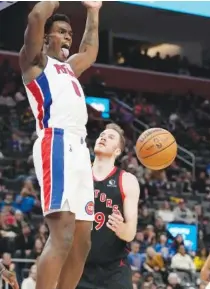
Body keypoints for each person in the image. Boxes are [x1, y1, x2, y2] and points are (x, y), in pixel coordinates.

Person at [19, 2, 102, 289]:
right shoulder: (35, 62)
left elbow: (89, 51)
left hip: (80, 149)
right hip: (56, 142)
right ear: (45, 37)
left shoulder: (69, 68)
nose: (68, 37)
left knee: (82, 242)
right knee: (62, 235)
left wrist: (94, 9)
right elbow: (36, 16)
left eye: (70, 33)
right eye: (62, 32)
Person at [58, 123, 140, 289]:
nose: (103, 137)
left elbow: (130, 233)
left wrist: (121, 228)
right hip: (78, 267)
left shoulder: (127, 180)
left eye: (110, 137)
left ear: (117, 151)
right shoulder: (77, 175)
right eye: (102, 134)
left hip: (114, 270)